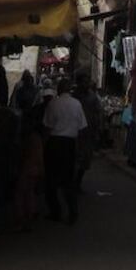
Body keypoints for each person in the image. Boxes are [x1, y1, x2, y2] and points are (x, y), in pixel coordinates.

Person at [42, 78, 87, 224]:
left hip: (54, 143)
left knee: (51, 180)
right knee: (68, 180)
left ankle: (56, 211)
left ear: (59, 89)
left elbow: (47, 127)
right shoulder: (77, 104)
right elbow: (82, 129)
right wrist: (80, 149)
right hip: (69, 144)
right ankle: (72, 212)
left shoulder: (53, 103)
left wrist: (43, 145)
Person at [13, 101, 47, 231]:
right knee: (29, 193)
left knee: (20, 194)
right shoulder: (37, 137)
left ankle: (21, 220)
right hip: (34, 169)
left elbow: (25, 154)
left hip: (27, 168)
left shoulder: (29, 137)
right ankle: (29, 218)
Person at [73, 72, 103, 193]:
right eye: (84, 82)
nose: (86, 84)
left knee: (85, 160)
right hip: (75, 132)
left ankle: (78, 182)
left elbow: (98, 113)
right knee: (75, 158)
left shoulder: (93, 97)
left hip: (88, 131)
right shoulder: (75, 97)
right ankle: (72, 183)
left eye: (87, 81)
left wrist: (98, 129)